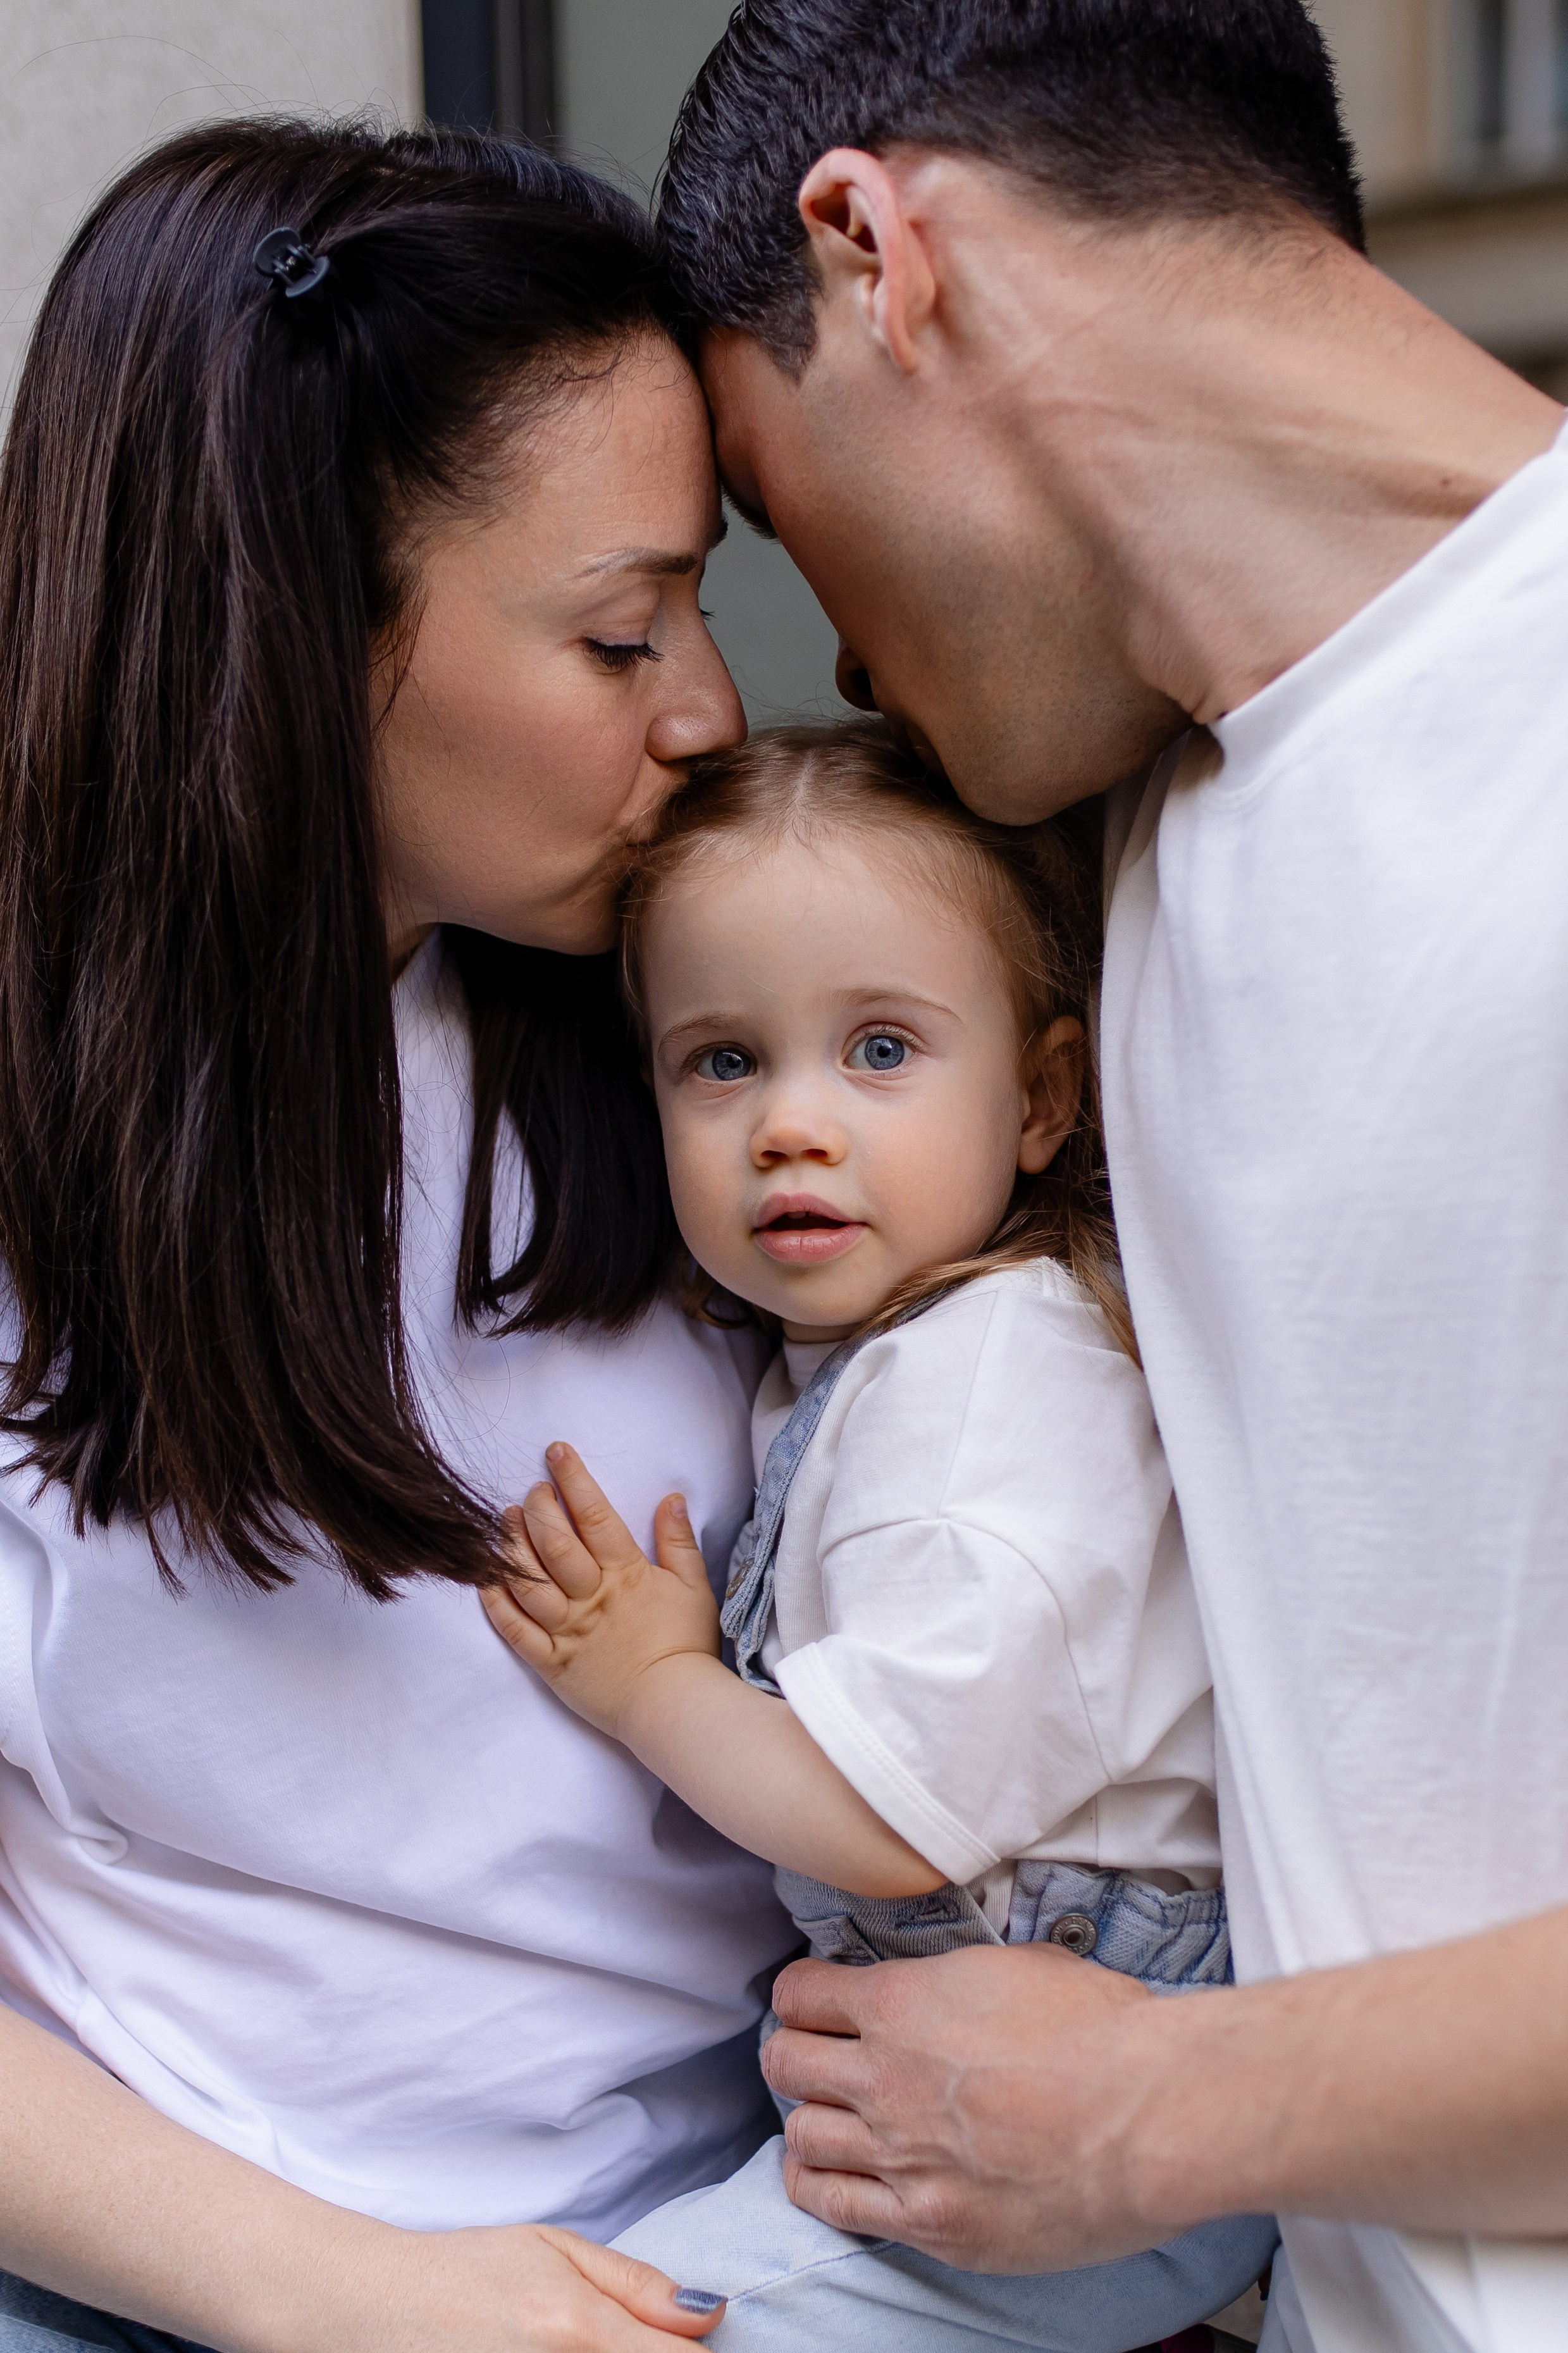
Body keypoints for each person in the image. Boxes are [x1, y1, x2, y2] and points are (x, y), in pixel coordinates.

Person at [650, 4, 1568, 2350]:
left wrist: (1160, 2113)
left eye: (765, 505)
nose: (826, 655)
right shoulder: (1108, 858)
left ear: (874, 254)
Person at [0, 118, 795, 2353]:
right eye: (618, 631)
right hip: (183, 2271)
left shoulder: (700, 1024)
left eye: (699, 605)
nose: (710, 707)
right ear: (291, 623)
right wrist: (344, 2298)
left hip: (744, 2240)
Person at [481, 721, 1278, 2347]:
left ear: (1042, 1097)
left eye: (881, 1050)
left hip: (1081, 2108)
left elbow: (882, 1818)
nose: (791, 1123)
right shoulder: (873, 1359)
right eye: (722, 1061)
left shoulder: (983, 1386)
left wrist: (651, 1684)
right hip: (944, 2077)